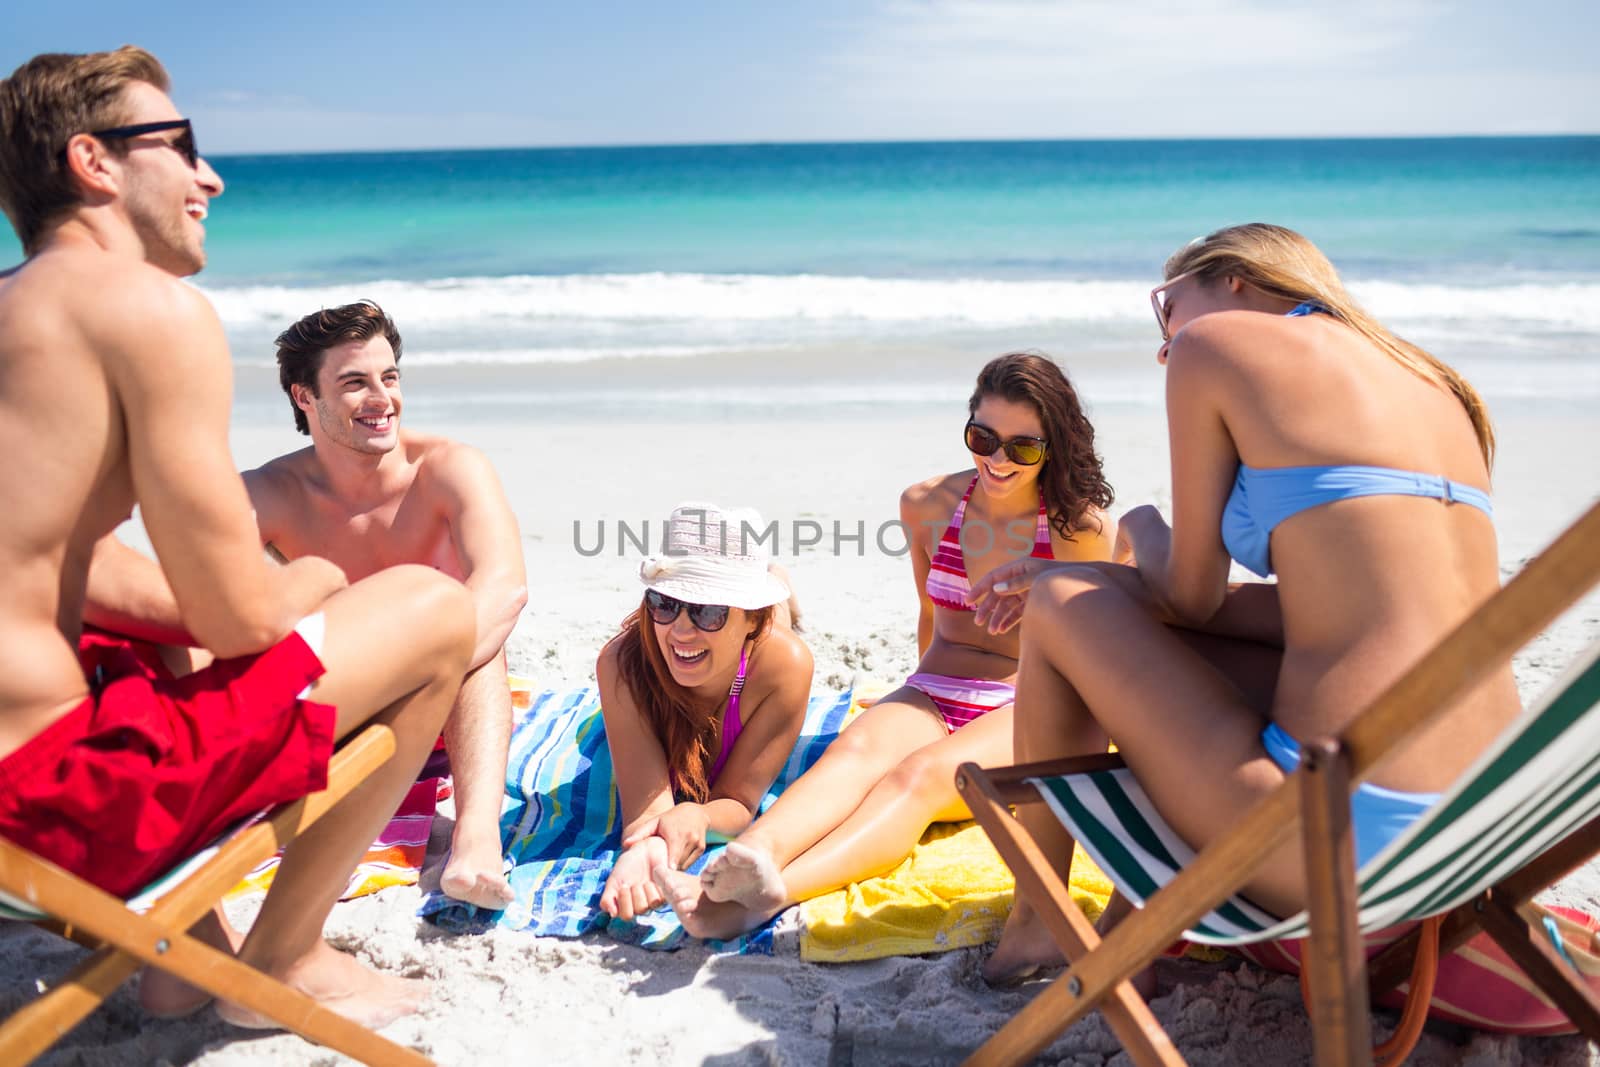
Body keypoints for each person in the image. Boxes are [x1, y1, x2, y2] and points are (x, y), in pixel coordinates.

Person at [0, 47, 475, 1029]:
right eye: (181, 147)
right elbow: (241, 614)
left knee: (131, 631)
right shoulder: (147, 309)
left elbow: (70, 564)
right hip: (56, 807)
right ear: (94, 162)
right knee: (433, 611)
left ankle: (190, 959)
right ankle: (287, 955)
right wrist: (319, 577)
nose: (210, 176)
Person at [978, 223, 1516, 983]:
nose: (1166, 346)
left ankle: (1036, 924)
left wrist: (1137, 527)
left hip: (1335, 838)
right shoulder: (1432, 382)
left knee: (1062, 597)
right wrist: (1127, 594)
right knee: (1114, 621)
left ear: (1235, 280)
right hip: (1483, 826)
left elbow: (1188, 596)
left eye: (1166, 309)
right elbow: (1329, 616)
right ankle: (1125, 924)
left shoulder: (1218, 346)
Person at [652, 353, 1115, 938]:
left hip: (1029, 698)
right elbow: (931, 614)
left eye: (1022, 447)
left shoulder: (1080, 528)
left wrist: (1045, 598)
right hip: (936, 685)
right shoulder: (926, 505)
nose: (997, 459)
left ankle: (769, 896)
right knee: (851, 756)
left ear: (1055, 446)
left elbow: (1098, 642)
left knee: (915, 778)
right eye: (983, 437)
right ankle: (749, 861)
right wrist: (908, 701)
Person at [243, 300, 528, 910]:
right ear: (304, 398)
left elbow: (506, 586)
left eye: (389, 377)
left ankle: (477, 839)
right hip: (346, 698)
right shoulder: (268, 492)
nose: (382, 398)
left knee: (473, 635)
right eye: (354, 383)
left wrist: (423, 673)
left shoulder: (449, 467)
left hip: (456, 694)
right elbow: (208, 601)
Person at [596, 503, 812, 922]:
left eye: (707, 611)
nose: (679, 630)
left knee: (781, 628)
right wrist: (654, 849)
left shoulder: (786, 667)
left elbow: (737, 800)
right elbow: (649, 814)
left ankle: (777, 582)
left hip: (759, 653)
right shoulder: (621, 665)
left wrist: (698, 814)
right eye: (664, 602)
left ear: (751, 619)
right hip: (739, 644)